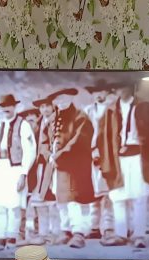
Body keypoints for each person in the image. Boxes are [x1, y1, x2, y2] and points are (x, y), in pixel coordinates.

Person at [97, 80, 149, 249]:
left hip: (139, 157)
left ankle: (139, 235)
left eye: (123, 86)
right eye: (117, 87)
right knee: (118, 196)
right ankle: (121, 234)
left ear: (131, 87)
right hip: (118, 159)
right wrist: (104, 162)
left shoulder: (145, 108)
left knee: (139, 197)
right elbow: (104, 140)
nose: (120, 90)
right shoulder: (109, 111)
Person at [0, 94, 36, 251]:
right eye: (2, 106)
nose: (5, 109)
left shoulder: (23, 124)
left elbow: (30, 151)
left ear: (14, 107)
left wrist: (23, 173)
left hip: (15, 167)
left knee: (14, 205)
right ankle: (1, 238)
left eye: (8, 106)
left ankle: (12, 238)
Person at [48, 88, 95, 249]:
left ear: (70, 99)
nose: (60, 103)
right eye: (57, 100)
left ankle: (78, 233)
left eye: (63, 100)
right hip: (60, 164)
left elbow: (78, 140)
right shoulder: (57, 118)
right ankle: (65, 230)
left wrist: (60, 154)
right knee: (61, 199)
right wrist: (52, 154)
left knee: (74, 199)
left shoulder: (81, 116)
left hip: (75, 164)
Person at [23, 97, 59, 245]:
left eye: (47, 106)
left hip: (50, 164)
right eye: (42, 107)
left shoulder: (53, 124)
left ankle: (56, 232)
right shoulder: (35, 128)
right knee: (38, 200)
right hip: (37, 167)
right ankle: (42, 232)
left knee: (53, 200)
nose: (45, 109)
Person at [83, 78, 115, 242]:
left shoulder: (113, 111)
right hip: (90, 157)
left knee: (109, 194)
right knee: (93, 193)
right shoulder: (87, 111)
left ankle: (109, 227)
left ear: (107, 93)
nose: (98, 95)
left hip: (108, 157)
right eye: (95, 92)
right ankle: (94, 227)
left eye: (101, 91)